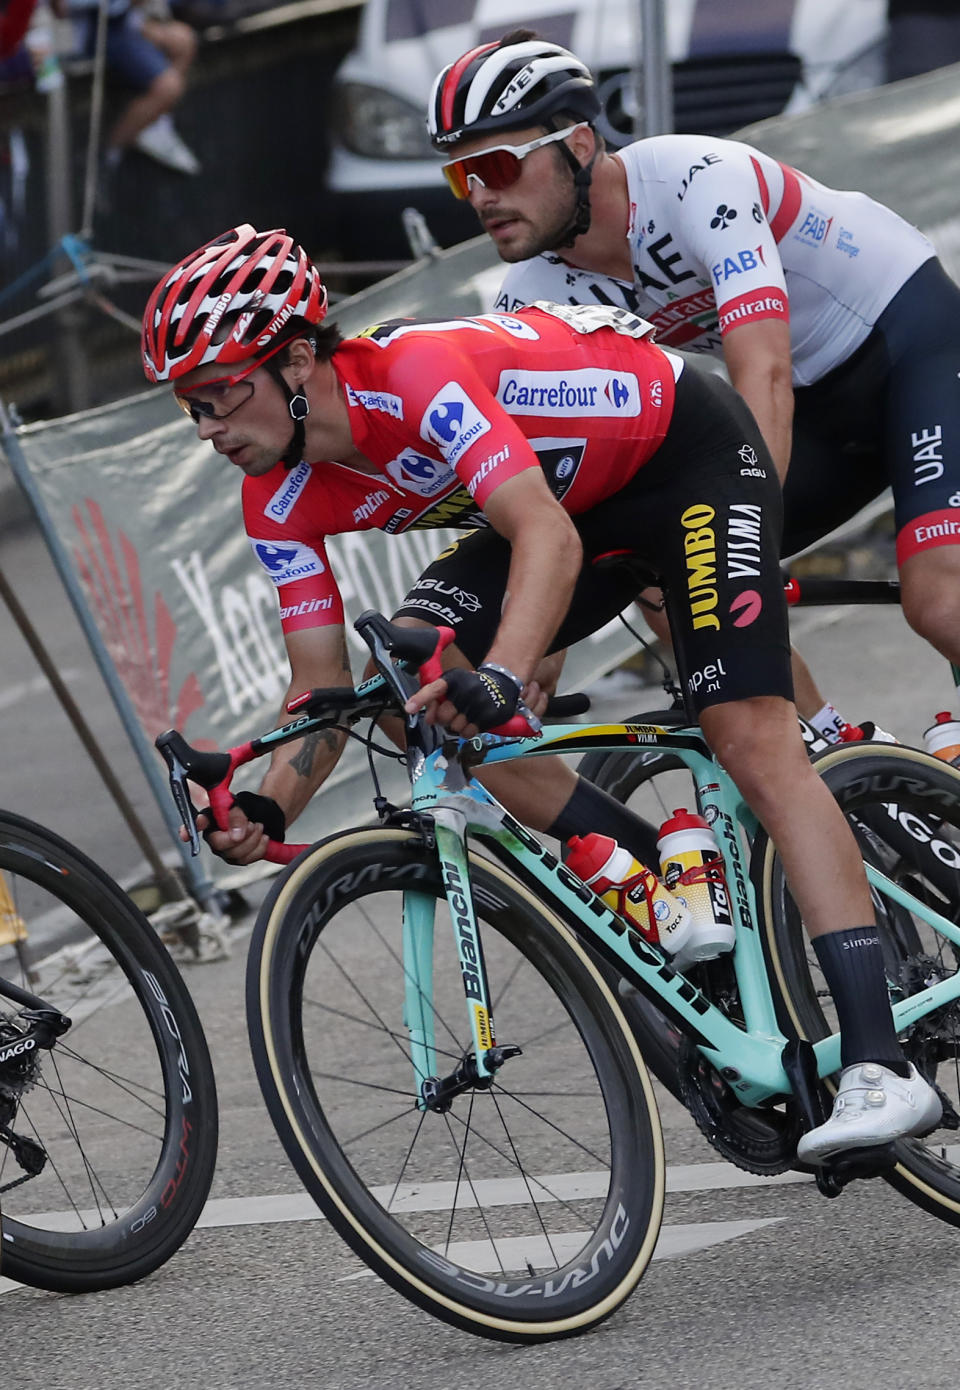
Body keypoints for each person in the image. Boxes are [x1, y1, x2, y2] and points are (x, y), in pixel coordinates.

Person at [142, 223, 941, 1161]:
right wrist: (257, 804)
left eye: (221, 394)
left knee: (750, 736)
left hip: (686, 456)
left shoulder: (414, 376)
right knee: (409, 686)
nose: (210, 430)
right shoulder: (274, 497)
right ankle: (667, 886)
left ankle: (884, 1068)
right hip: (574, 501)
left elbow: (546, 541)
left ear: (299, 359)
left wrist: (506, 678)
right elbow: (320, 688)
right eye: (190, 409)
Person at [426, 31, 960, 746]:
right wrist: (536, 653)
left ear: (579, 145)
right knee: (664, 567)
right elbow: (554, 494)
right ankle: (841, 758)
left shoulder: (694, 178)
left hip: (909, 347)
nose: (483, 196)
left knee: (939, 601)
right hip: (819, 414)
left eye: (495, 164)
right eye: (462, 178)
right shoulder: (529, 300)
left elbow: (761, 373)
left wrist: (745, 543)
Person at [64, 0, 200, 178]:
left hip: (129, 23)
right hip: (95, 33)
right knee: (169, 87)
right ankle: (109, 154)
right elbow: (63, 8)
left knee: (183, 40)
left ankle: (156, 123)